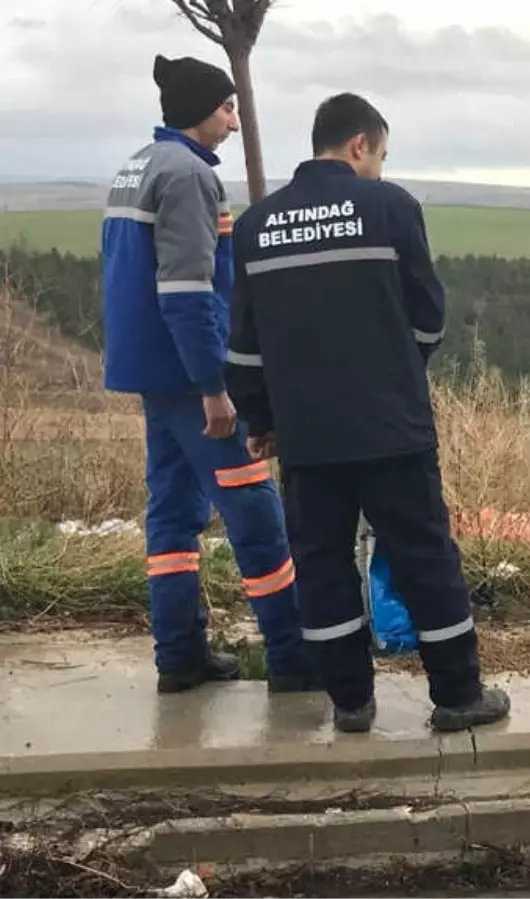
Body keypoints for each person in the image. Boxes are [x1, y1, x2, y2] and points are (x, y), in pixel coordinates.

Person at [225, 92, 511, 735]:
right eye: (380, 154)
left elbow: (244, 347)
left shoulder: (256, 227)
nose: (380, 166)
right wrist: (393, 377)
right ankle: (459, 696)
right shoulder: (391, 208)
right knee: (423, 555)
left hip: (306, 435)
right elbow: (428, 320)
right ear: (360, 145)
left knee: (322, 563)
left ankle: (351, 703)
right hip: (391, 428)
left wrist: (262, 417)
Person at [100, 54, 317, 695]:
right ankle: (293, 658)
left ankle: (180, 658)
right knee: (253, 509)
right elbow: (188, 292)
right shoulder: (190, 176)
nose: (233, 120)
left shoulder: (135, 166)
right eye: (227, 109)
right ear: (201, 111)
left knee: (171, 517)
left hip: (150, 372)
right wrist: (215, 387)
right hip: (192, 378)